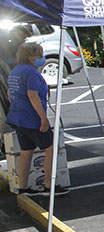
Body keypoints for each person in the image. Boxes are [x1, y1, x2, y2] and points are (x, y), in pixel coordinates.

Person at [6, 42, 67, 196]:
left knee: (26, 152)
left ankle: (23, 187)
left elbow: (9, 93)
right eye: (39, 55)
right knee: (51, 148)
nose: (42, 58)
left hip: (17, 117)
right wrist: (43, 118)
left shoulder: (15, 71)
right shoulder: (31, 72)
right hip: (31, 118)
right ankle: (48, 185)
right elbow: (32, 95)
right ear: (31, 57)